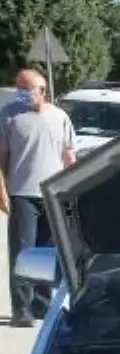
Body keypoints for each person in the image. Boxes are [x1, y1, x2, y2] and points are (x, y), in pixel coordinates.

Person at [1, 69, 76, 328]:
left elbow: (68, 157)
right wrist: (2, 190)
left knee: (45, 253)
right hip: (22, 193)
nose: (21, 94)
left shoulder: (60, 117)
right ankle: (22, 309)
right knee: (23, 252)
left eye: (27, 90)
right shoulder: (8, 116)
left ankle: (42, 305)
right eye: (18, 88)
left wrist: (71, 189)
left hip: (51, 195)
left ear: (43, 91)